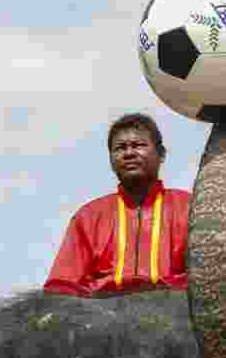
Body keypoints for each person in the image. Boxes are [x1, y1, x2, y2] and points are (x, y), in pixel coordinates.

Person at [44, 113, 190, 296]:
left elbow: (210, 275)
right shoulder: (88, 216)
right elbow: (61, 285)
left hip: (176, 312)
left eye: (138, 145)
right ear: (111, 160)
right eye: (120, 148)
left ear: (161, 154)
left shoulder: (189, 208)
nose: (129, 153)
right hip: (102, 316)